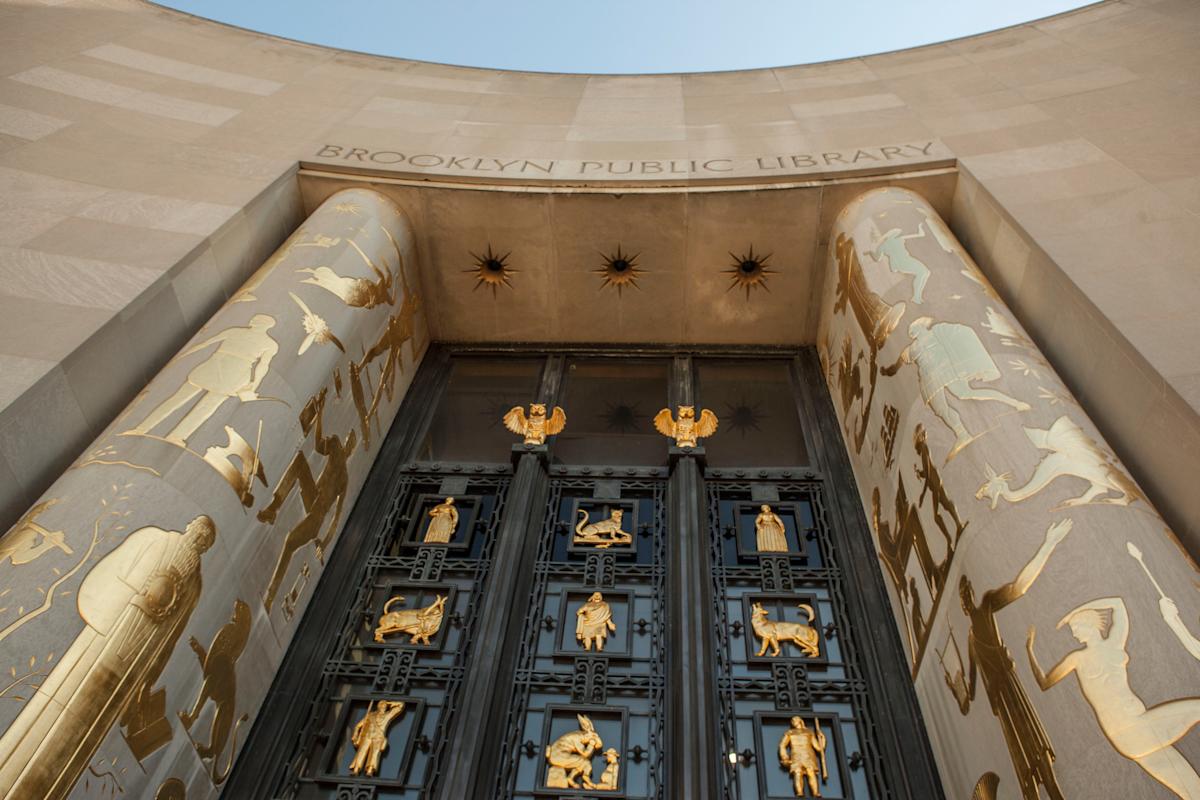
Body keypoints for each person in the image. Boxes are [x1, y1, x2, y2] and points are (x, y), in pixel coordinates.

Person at [0, 516, 216, 800]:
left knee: (83, 738)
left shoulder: (195, 585)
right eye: (199, 531)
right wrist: (114, 618)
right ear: (190, 527)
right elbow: (111, 573)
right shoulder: (154, 538)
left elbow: (172, 636)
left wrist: (147, 675)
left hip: (130, 666)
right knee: (52, 706)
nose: (199, 539)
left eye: (206, 540)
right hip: (101, 642)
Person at [944, 519, 1071, 800]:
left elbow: (1019, 587)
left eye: (967, 594)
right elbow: (971, 694)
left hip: (1013, 694)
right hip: (1002, 706)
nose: (965, 600)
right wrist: (956, 689)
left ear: (974, 595)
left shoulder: (987, 605)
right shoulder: (970, 641)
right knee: (1026, 775)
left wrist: (1048, 545)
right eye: (962, 597)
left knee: (1041, 760)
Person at [1028, 597, 1200, 798]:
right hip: (1133, 726)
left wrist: (1076, 610)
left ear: (1090, 624)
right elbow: (1045, 682)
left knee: (1192, 790)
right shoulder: (1078, 659)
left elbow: (1118, 603)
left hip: (1130, 737)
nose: (1073, 633)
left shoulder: (1113, 644)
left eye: (1076, 626)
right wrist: (1029, 650)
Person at [131, 315, 278, 446]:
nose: (252, 320)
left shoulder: (265, 342)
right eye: (254, 318)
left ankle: (170, 435)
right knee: (188, 403)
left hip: (231, 372)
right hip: (220, 368)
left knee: (197, 405)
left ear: (264, 325)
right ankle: (146, 429)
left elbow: (262, 365)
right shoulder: (242, 334)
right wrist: (185, 354)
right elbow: (208, 343)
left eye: (257, 320)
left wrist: (254, 384)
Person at [778, 716, 826, 797]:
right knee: (798, 773)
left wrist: (823, 738)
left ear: (800, 721)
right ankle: (799, 793)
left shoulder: (809, 732)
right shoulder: (790, 733)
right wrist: (784, 757)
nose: (793, 721)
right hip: (796, 756)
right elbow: (782, 745)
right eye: (792, 721)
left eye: (794, 720)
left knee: (811, 773)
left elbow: (818, 748)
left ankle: (816, 793)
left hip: (808, 756)